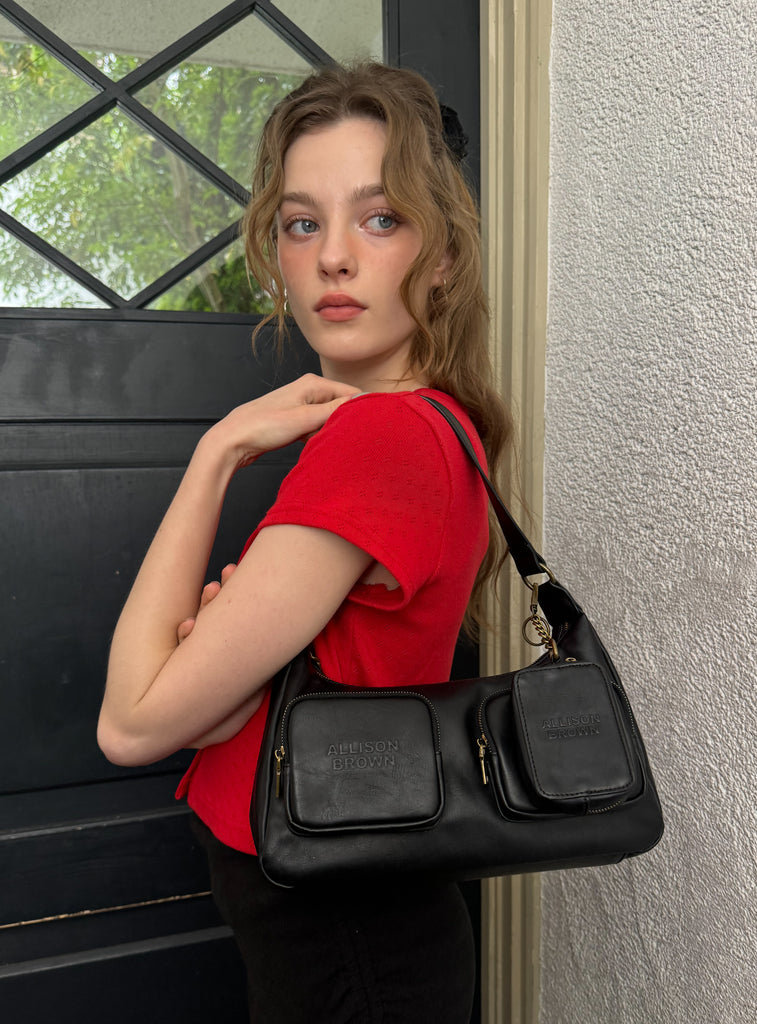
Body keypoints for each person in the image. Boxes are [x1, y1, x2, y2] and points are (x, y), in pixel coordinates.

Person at [98, 61, 512, 1024]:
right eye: (301, 223)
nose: (333, 257)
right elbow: (214, 715)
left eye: (380, 218)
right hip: (359, 930)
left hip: (350, 946)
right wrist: (218, 688)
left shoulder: (382, 438)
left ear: (443, 258)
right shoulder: (431, 426)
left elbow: (131, 723)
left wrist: (215, 454)